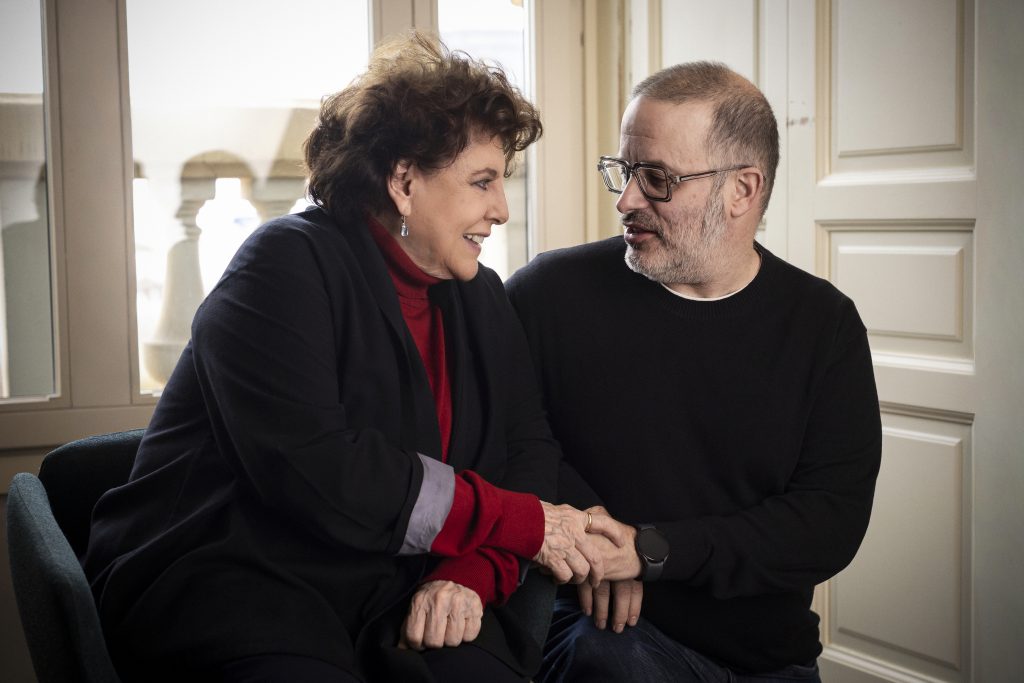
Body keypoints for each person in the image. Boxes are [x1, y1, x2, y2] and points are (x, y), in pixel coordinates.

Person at [84, 33, 603, 683]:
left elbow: (527, 450)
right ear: (405, 182)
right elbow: (321, 470)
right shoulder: (282, 265)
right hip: (239, 580)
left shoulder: (482, 297)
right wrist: (521, 522)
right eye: (482, 182)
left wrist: (470, 573)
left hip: (394, 589)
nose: (499, 209)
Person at [506, 61, 882, 682]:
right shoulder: (547, 294)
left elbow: (827, 524)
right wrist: (594, 537)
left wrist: (650, 552)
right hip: (604, 633)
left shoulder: (824, 325)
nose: (627, 200)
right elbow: (506, 438)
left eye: (657, 178)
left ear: (742, 190)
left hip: (767, 655)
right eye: (625, 171)